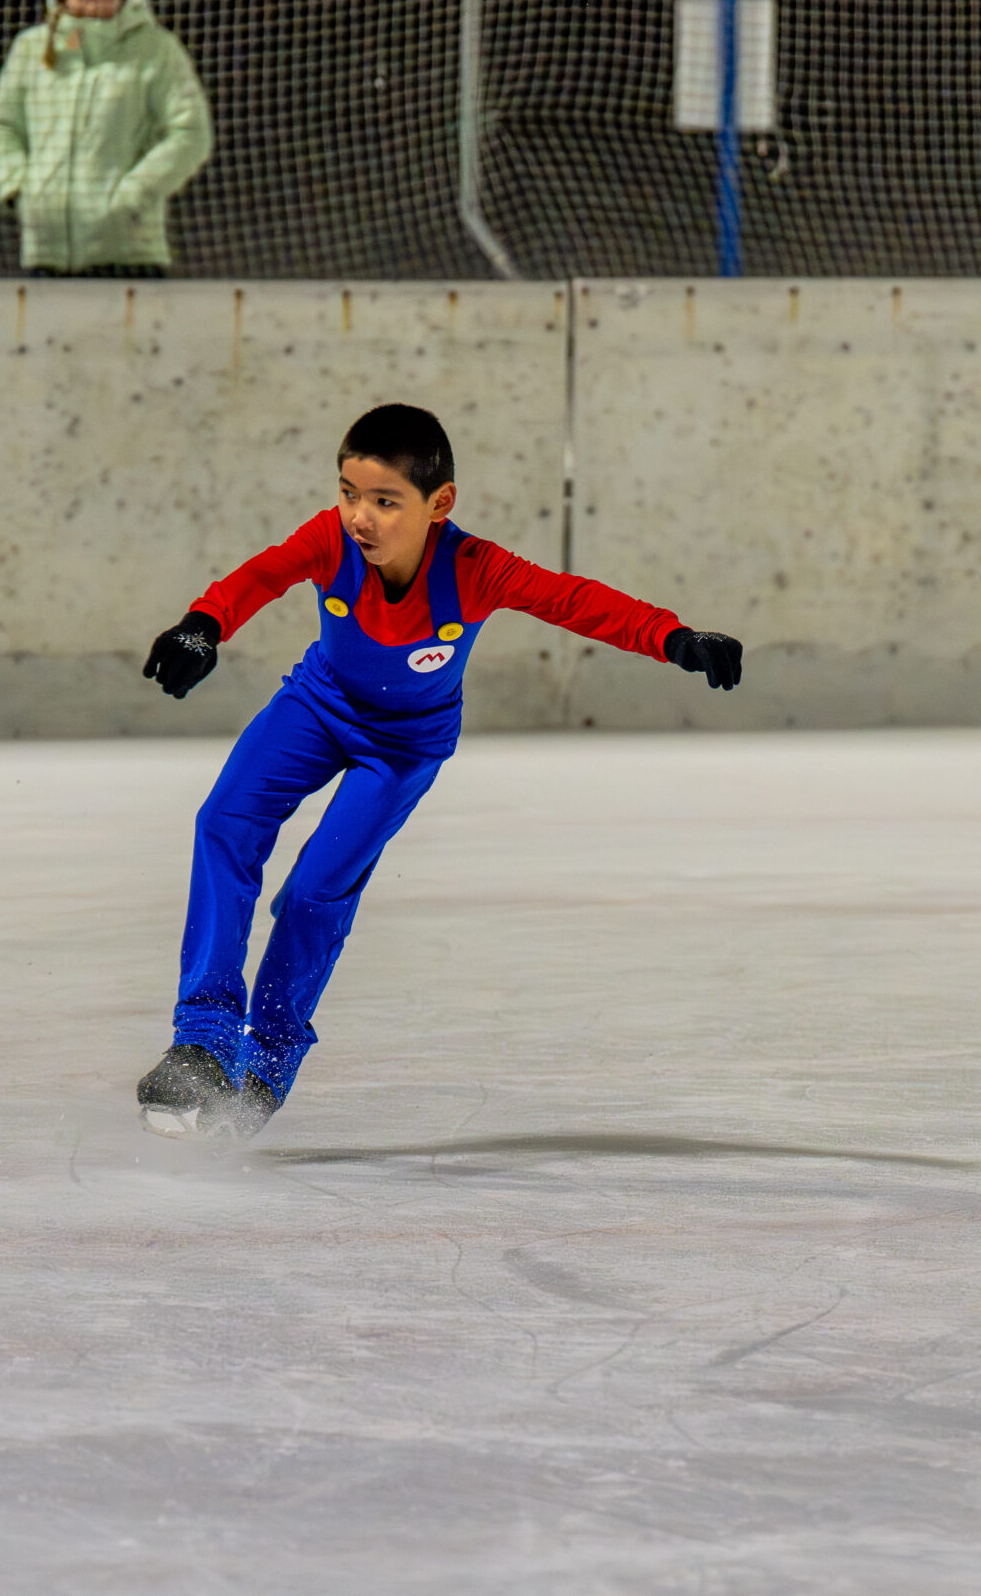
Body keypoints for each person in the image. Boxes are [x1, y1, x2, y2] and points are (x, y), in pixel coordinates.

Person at [133, 405, 745, 1141]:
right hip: (318, 704)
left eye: (385, 501)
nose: (359, 516)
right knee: (225, 821)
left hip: (403, 745)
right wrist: (204, 624)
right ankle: (202, 1041)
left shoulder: (474, 569)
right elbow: (261, 575)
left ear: (439, 504)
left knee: (317, 890)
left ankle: (264, 1063)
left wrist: (672, 637)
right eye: (348, 493)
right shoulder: (330, 541)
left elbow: (573, 601)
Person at [0, 0, 212, 278]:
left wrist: (134, 195)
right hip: (47, 255)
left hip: (129, 256)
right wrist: (21, 188)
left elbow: (191, 132)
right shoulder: (32, 49)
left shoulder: (156, 50)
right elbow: (0, 125)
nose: (91, 5)